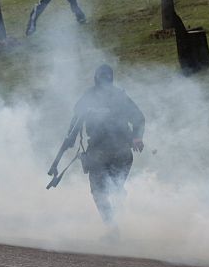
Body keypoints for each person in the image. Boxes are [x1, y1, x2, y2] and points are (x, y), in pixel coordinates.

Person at [54, 64, 145, 225]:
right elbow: (76, 121)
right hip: (106, 151)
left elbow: (138, 118)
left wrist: (137, 138)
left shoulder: (118, 97)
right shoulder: (93, 98)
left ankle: (115, 224)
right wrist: (70, 140)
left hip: (115, 150)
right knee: (106, 190)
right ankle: (114, 224)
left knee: (106, 190)